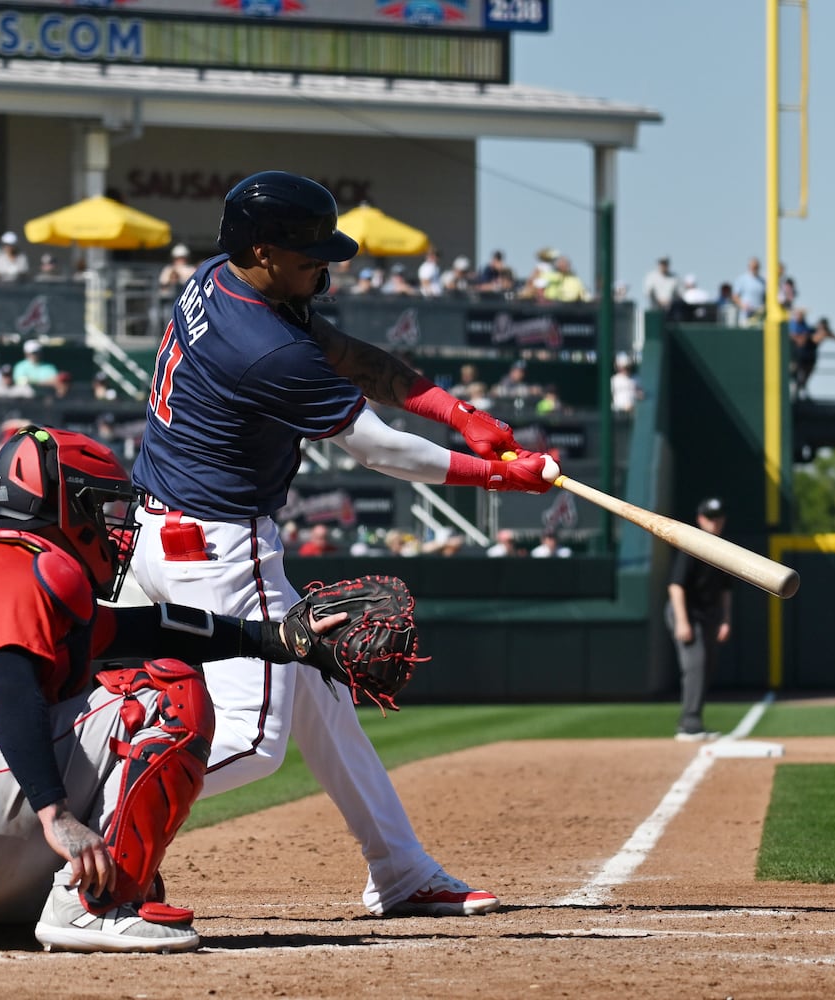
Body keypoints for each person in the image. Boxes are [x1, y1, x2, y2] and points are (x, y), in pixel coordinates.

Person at [130, 170, 561, 919]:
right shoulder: (261, 346)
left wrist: (457, 412)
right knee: (253, 740)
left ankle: (399, 869)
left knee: (323, 689)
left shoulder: (222, 280)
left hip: (166, 532)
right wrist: (495, 477)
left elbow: (343, 352)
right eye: (308, 258)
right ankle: (88, 819)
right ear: (262, 251)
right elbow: (379, 451)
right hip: (217, 547)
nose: (323, 273)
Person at [0, 425, 353, 952]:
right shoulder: (17, 565)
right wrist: (55, 815)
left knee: (121, 850)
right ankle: (94, 908)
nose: (113, 524)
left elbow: (152, 626)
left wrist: (276, 637)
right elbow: (10, 684)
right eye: (99, 503)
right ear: (61, 501)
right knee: (170, 693)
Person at [665, 497, 732, 742]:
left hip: (708, 614)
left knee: (706, 666)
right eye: (710, 518)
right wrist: (682, 621)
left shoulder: (723, 550)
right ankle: (689, 724)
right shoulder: (693, 545)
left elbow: (726, 590)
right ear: (701, 519)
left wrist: (725, 620)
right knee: (695, 664)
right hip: (685, 611)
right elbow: (675, 586)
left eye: (718, 518)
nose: (715, 523)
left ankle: (694, 721)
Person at [790, 314, 835, 401]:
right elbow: (804, 340)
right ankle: (796, 394)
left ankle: (801, 392)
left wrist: (826, 333)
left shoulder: (823, 332)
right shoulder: (811, 331)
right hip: (802, 356)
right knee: (797, 376)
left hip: (811, 358)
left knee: (804, 378)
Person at [731, 256, 766, 327]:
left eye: (756, 267)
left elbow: (765, 297)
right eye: (753, 267)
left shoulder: (763, 281)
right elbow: (735, 296)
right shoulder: (742, 279)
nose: (755, 269)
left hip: (759, 317)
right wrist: (743, 305)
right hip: (745, 317)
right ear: (749, 267)